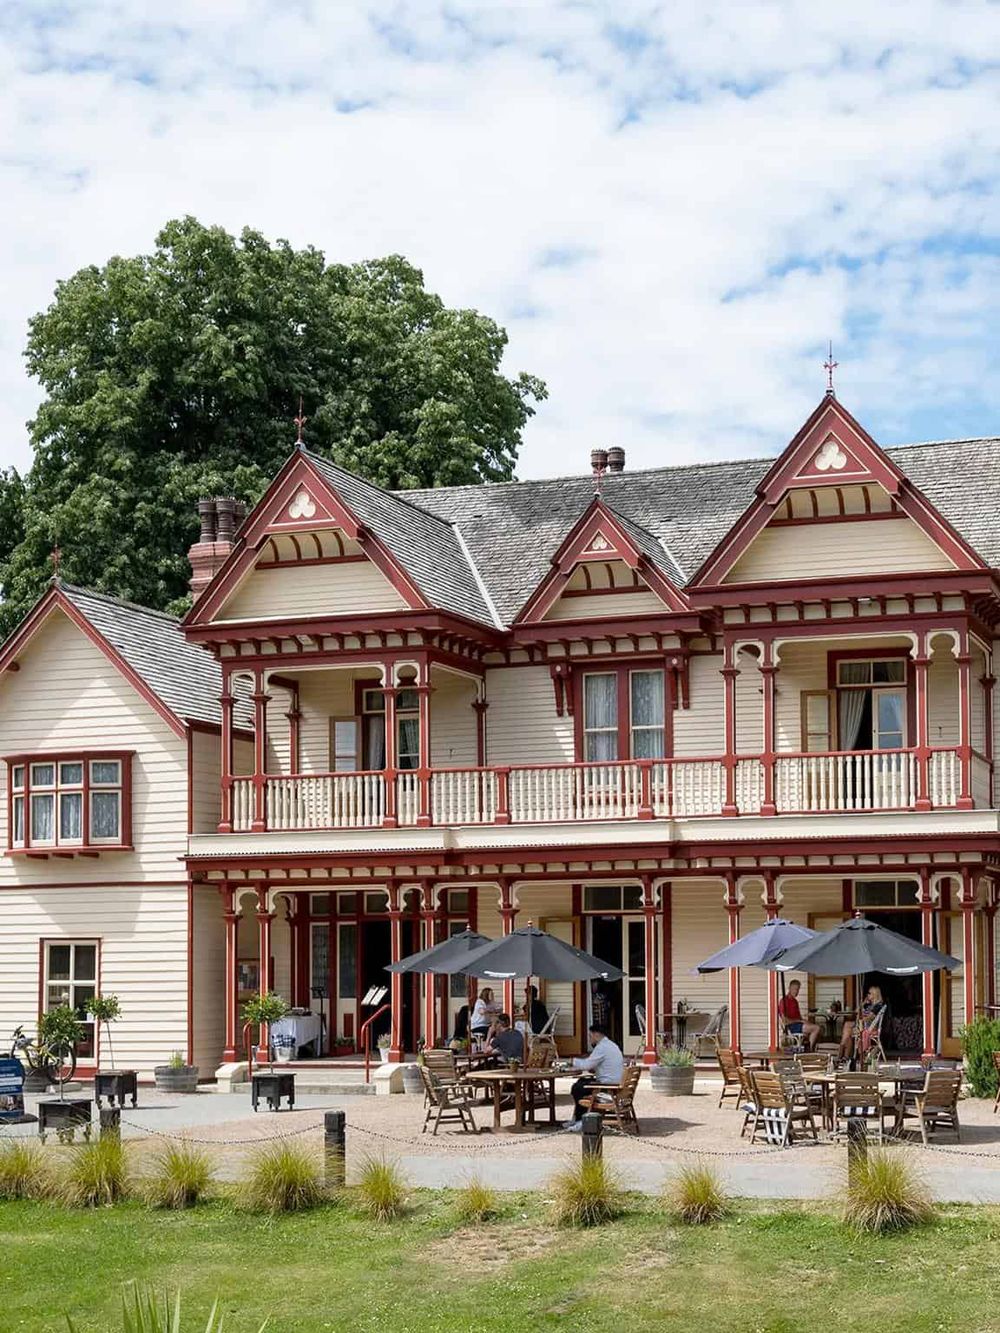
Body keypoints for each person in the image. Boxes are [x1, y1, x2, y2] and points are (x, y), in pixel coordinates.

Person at [565, 1022, 625, 1129]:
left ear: (596, 1035)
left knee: (578, 1088)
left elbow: (587, 1065)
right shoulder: (612, 1045)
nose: (589, 1039)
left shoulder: (601, 1047)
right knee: (582, 1082)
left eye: (590, 1036)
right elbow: (597, 1065)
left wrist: (572, 1061)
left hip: (608, 1086)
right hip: (614, 1083)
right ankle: (577, 1117)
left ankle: (581, 1120)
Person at [776, 980, 821, 1051]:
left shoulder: (795, 1001)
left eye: (798, 989)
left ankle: (806, 1049)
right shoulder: (783, 1001)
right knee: (816, 1028)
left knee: (820, 1029)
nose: (796, 992)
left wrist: (805, 1022)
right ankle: (810, 1051)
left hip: (798, 1025)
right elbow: (785, 1021)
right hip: (791, 1027)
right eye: (795, 989)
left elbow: (799, 1018)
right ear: (789, 988)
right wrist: (800, 1021)